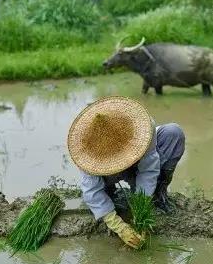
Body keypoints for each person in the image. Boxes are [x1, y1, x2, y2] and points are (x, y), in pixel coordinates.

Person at [67, 96, 185, 249]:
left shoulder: (143, 128)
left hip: (138, 162)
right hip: (108, 174)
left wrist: (141, 205)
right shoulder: (87, 151)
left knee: (173, 132)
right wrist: (118, 226)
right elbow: (91, 191)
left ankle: (158, 193)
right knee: (102, 196)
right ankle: (110, 192)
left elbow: (149, 169)